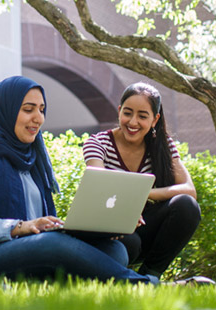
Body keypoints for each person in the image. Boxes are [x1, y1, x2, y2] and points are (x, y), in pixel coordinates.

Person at [0, 76, 159, 285]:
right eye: (28, 110)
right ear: (6, 109)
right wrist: (19, 228)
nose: (38, 118)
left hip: (19, 249)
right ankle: (139, 284)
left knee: (115, 251)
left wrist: (95, 228)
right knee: (51, 245)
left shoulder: (31, 157)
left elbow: (35, 226)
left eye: (41, 110)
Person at [83, 82, 201, 280]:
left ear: (155, 120)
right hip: (109, 225)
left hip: (145, 223)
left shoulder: (163, 146)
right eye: (128, 113)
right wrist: (125, 208)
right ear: (119, 111)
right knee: (130, 243)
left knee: (187, 206)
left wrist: (144, 193)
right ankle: (121, 279)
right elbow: (99, 185)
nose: (133, 122)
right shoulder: (97, 143)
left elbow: (189, 190)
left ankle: (149, 276)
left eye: (142, 116)